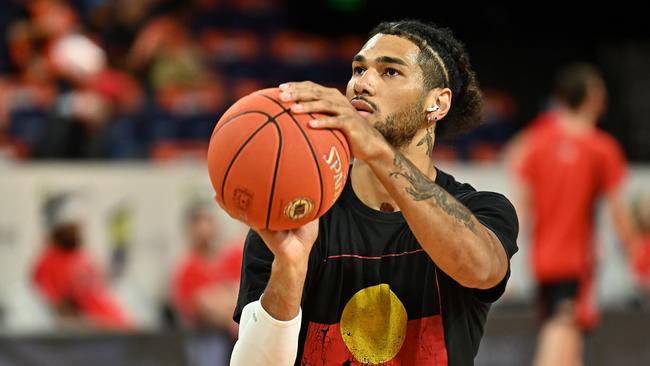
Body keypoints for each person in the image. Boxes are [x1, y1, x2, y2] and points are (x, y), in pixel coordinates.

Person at [229, 20, 519, 365]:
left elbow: (481, 268)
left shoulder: (480, 208)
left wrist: (376, 150)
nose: (361, 84)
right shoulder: (298, 210)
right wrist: (290, 267)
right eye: (358, 69)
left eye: (390, 72)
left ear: (437, 104)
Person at [514, 63, 641, 366]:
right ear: (592, 98)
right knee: (559, 342)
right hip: (575, 262)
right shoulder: (601, 147)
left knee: (570, 346)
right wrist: (635, 249)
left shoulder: (537, 141)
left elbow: (522, 198)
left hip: (541, 259)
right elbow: (617, 209)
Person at [32, 193, 133, 330]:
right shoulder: (47, 263)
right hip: (97, 335)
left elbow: (104, 291)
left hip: (120, 327)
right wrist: (94, 326)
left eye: (78, 227)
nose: (76, 231)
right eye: (70, 227)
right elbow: (62, 311)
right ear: (56, 229)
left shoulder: (83, 256)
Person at [172, 200, 243, 334]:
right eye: (198, 222)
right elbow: (199, 307)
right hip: (208, 338)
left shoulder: (236, 255)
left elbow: (244, 294)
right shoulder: (185, 269)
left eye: (208, 221)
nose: (204, 228)